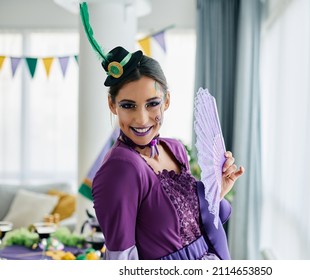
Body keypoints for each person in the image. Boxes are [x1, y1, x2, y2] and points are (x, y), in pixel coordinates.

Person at [79, 3, 244, 260]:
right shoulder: (120, 168)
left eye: (152, 103)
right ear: (112, 105)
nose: (141, 118)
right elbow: (122, 262)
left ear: (167, 101)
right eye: (128, 105)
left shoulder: (175, 149)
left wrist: (216, 191)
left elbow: (191, 225)